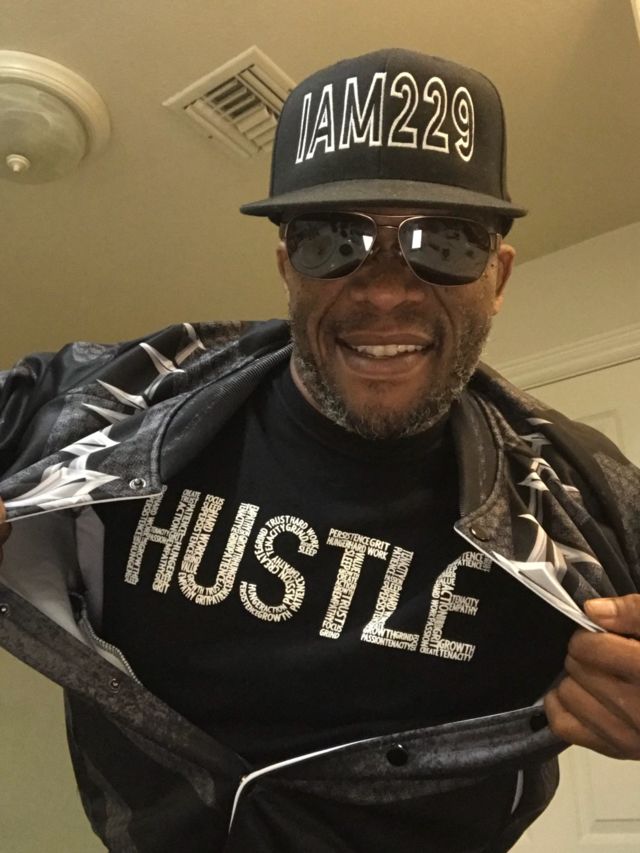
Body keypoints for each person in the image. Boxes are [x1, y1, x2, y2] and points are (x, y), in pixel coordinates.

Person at [0, 47, 639, 853]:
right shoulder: (117, 401)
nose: (385, 290)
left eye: (444, 243)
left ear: (499, 276)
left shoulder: (581, 495)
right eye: (334, 239)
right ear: (286, 266)